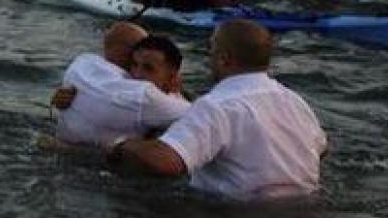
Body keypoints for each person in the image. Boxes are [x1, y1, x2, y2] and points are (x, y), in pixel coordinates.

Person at [111, 19, 327, 200]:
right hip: (305, 209)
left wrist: (122, 146)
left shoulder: (217, 106)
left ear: (224, 58)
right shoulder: (294, 101)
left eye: (211, 49)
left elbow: (166, 162)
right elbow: (323, 149)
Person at [52, 23, 192, 148]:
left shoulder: (83, 61)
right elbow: (197, 115)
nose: (137, 74)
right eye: (134, 63)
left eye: (148, 68)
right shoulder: (142, 95)